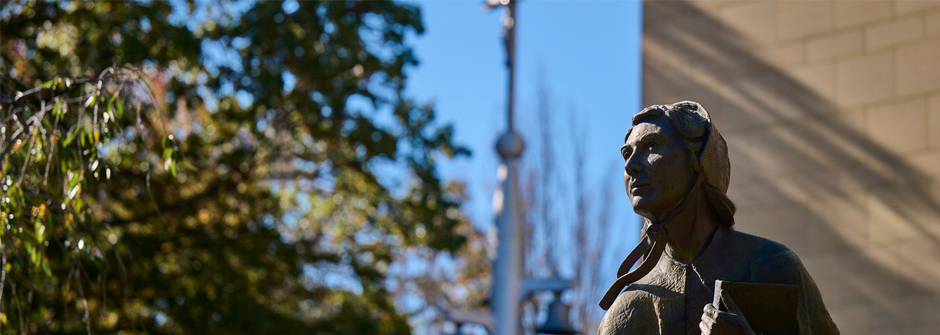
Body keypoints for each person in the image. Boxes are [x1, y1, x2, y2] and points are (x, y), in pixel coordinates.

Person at [597, 101, 839, 335]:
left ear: (699, 160)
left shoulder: (773, 266)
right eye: (626, 154)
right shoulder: (624, 314)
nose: (631, 166)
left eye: (651, 146)